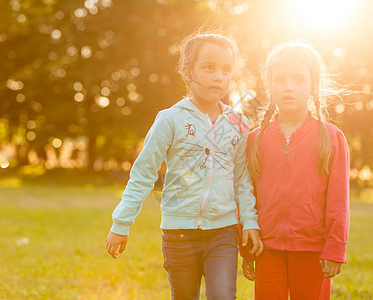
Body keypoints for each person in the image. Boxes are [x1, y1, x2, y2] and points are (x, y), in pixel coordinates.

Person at [105, 32, 263, 300]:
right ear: (188, 72)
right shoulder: (170, 120)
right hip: (178, 233)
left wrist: (249, 221)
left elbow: (241, 178)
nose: (219, 76)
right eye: (209, 67)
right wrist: (121, 223)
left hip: (222, 233)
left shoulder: (238, 124)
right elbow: (143, 173)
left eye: (226, 70)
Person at [241, 42, 350, 300]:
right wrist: (245, 246)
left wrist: (335, 248)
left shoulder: (331, 138)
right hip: (266, 250)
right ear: (269, 86)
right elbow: (246, 194)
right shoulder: (255, 139)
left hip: (314, 251)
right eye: (279, 79)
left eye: (299, 79)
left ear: (313, 85)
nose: (288, 86)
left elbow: (338, 199)